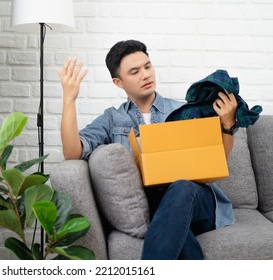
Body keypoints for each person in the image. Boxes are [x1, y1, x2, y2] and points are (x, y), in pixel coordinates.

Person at [57, 39, 237, 260]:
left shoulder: (182, 110)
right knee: (175, 230)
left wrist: (227, 126)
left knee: (181, 187)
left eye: (148, 66)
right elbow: (72, 152)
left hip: (195, 199)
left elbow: (217, 159)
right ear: (118, 82)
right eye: (135, 71)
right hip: (152, 207)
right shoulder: (112, 119)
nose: (146, 75)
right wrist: (69, 99)